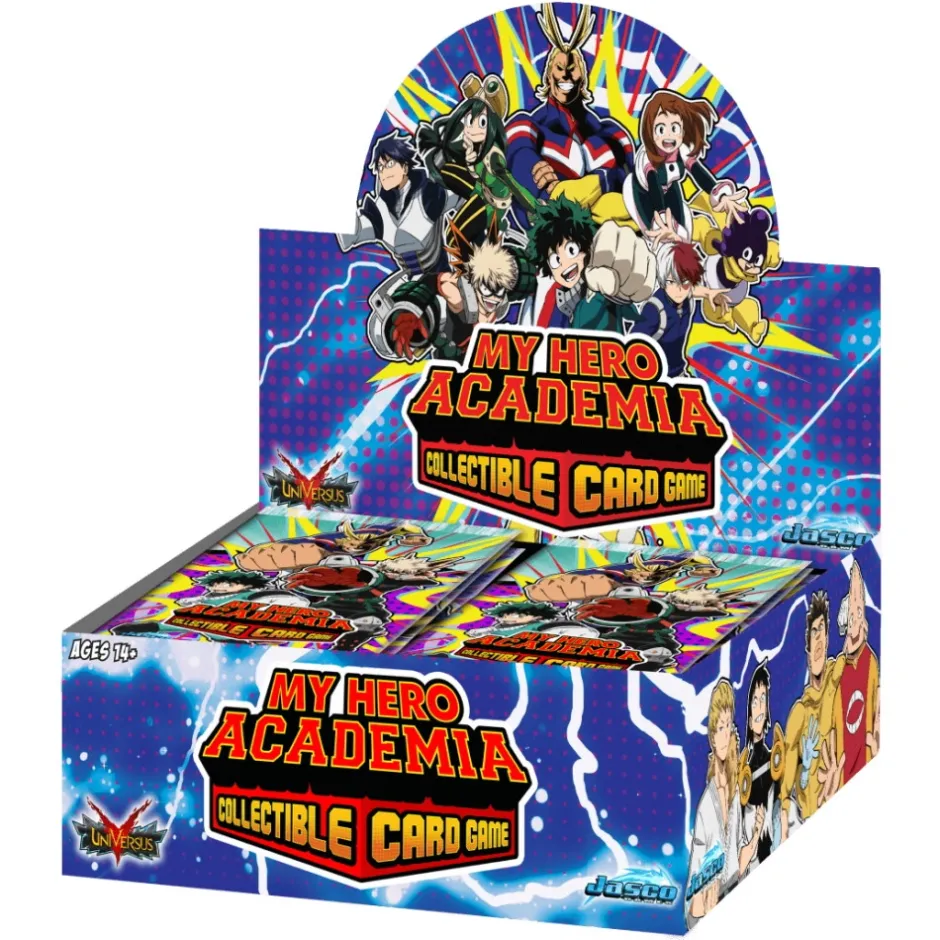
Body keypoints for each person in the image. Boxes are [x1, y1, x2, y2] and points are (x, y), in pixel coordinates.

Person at [686, 679, 763, 927]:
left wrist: (754, 840)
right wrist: (701, 902)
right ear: (711, 735)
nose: (724, 735)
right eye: (720, 728)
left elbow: (739, 855)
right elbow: (693, 900)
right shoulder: (706, 807)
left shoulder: (734, 792)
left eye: (728, 726)